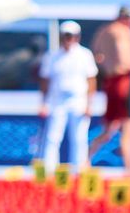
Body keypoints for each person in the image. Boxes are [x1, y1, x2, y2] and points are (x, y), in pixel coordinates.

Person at [38, 21, 99, 174]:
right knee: (53, 137)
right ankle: (49, 171)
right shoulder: (52, 56)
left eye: (71, 36)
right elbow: (46, 81)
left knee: (79, 138)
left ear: (77, 37)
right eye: (65, 36)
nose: (68, 39)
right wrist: (44, 103)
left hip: (78, 100)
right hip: (57, 101)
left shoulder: (85, 55)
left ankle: (79, 172)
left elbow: (91, 80)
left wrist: (89, 104)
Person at [89, 5, 130, 176]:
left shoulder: (104, 31)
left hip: (110, 82)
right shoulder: (123, 32)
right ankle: (129, 171)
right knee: (128, 130)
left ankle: (85, 160)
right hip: (123, 81)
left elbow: (97, 55)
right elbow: (124, 59)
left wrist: (107, 65)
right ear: (126, 19)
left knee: (108, 130)